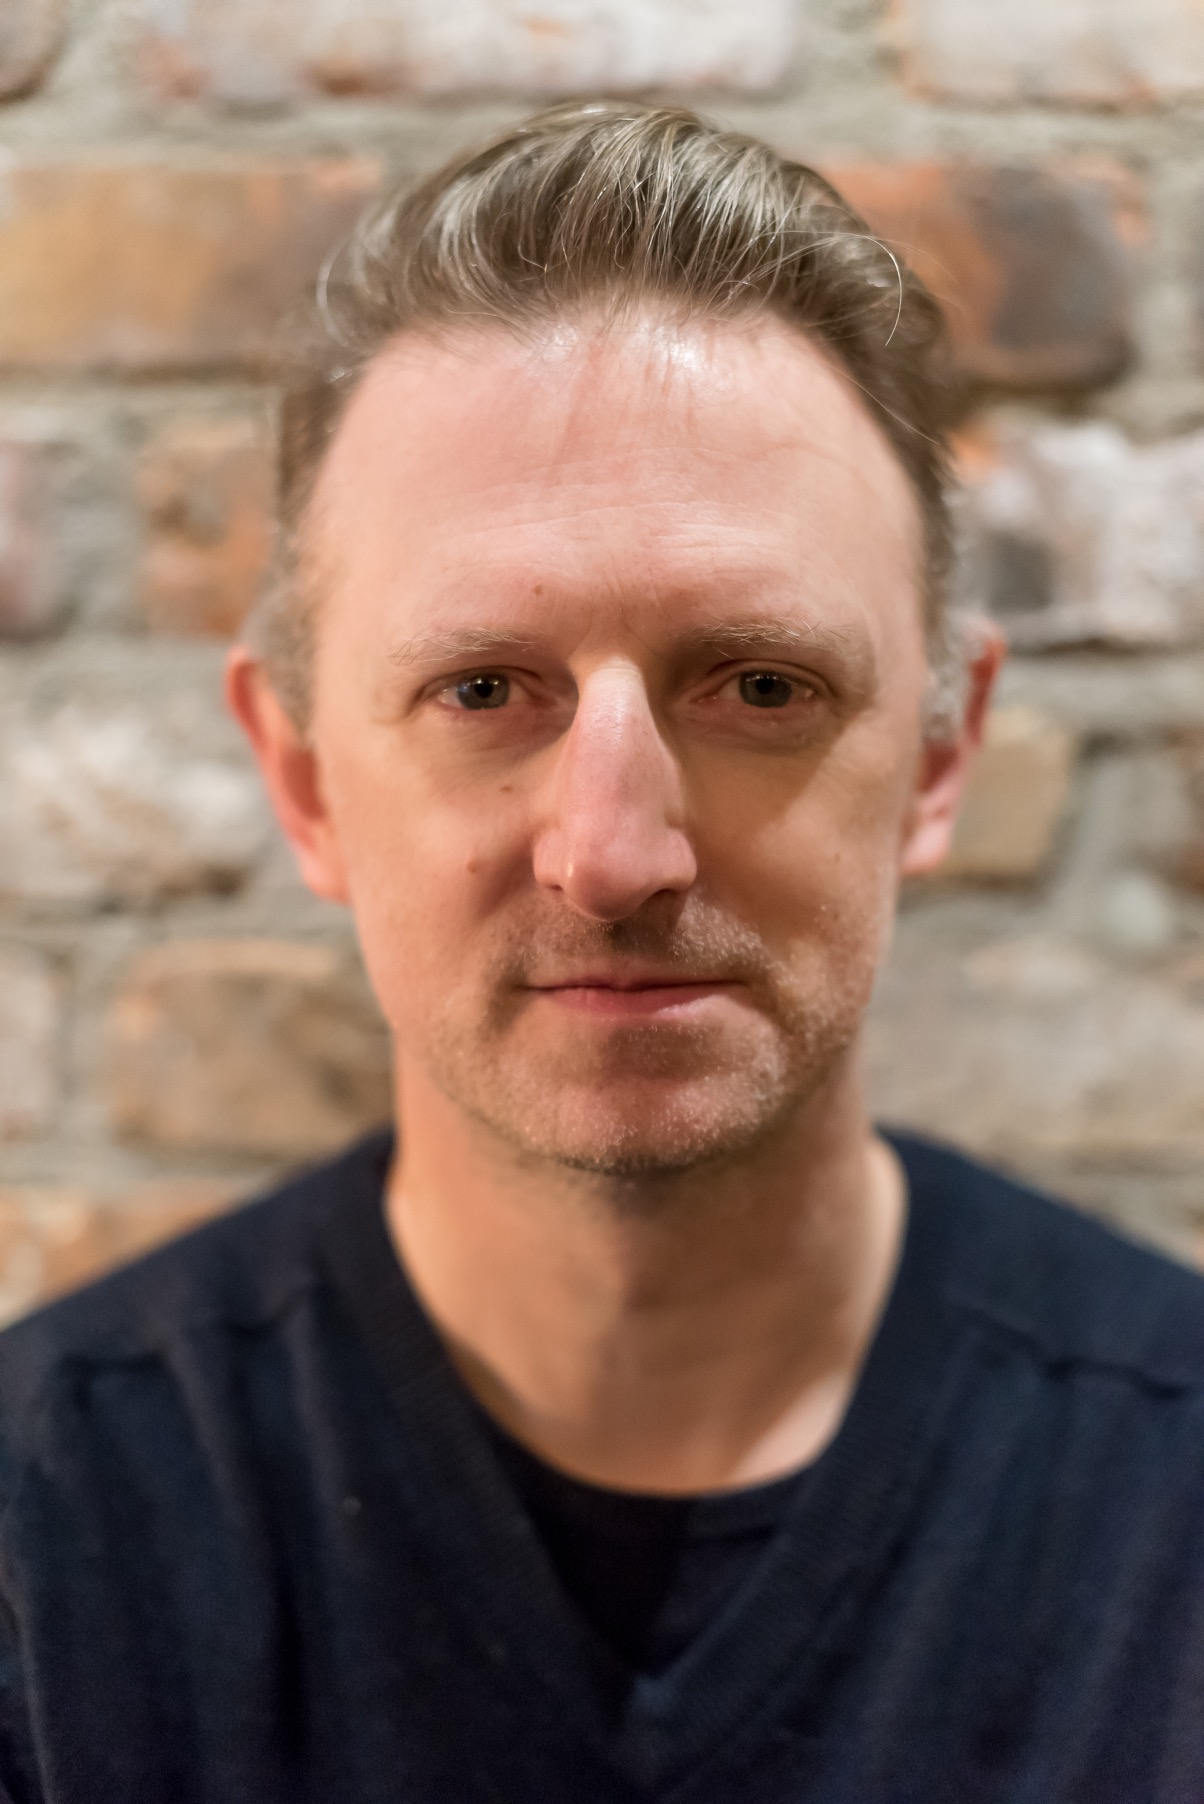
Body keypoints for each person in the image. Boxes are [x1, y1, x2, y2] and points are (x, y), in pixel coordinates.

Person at [0, 101, 1201, 1804]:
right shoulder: (44, 1552)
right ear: (301, 779)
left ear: (940, 754)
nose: (617, 852)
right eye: (486, 691)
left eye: (761, 687)